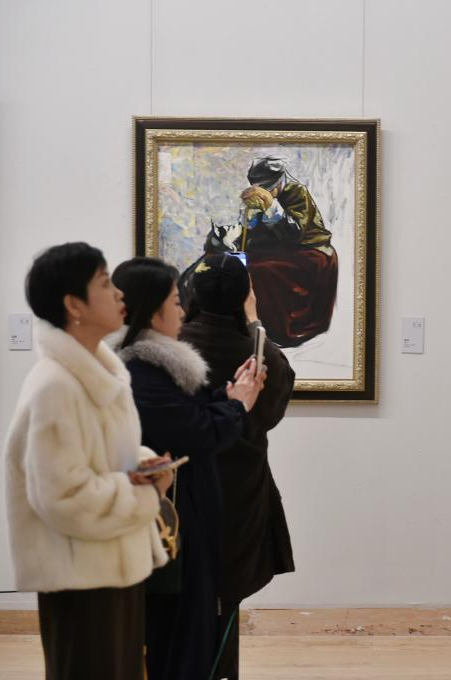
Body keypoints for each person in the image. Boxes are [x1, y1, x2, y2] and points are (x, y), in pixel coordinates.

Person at [5, 242, 173, 680]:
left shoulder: (99, 374)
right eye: (104, 283)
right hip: (81, 579)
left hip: (110, 567)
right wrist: (146, 495)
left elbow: (103, 457)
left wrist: (144, 463)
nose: (119, 293)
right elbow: (63, 497)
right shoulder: (56, 387)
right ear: (74, 305)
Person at [111, 257, 265, 680]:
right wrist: (237, 405)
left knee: (189, 630)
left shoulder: (154, 365)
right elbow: (196, 432)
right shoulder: (142, 371)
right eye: (175, 302)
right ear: (152, 311)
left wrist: (227, 397)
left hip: (189, 516)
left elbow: (187, 415)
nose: (182, 310)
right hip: (176, 524)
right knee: (179, 637)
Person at [179, 253, 297, 679]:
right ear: (246, 296)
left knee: (181, 599)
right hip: (241, 493)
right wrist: (255, 321)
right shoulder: (259, 354)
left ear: (192, 293)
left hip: (182, 490)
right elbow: (272, 411)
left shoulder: (173, 348)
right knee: (225, 598)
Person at [238, 155, 339, 347]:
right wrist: (249, 220)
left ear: (278, 183)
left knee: (263, 270)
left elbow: (295, 233)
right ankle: (248, 325)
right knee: (241, 264)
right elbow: (255, 236)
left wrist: (271, 208)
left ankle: (278, 330)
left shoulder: (297, 192)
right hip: (280, 249)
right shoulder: (260, 197)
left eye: (267, 188)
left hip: (309, 249)